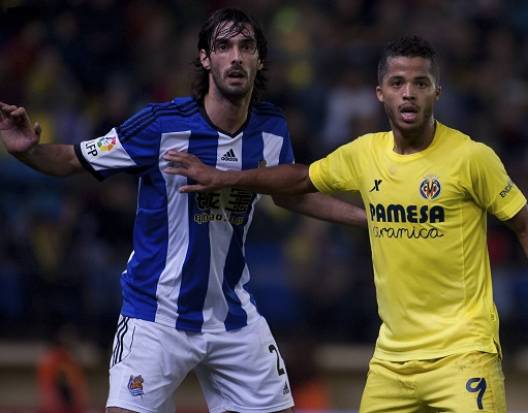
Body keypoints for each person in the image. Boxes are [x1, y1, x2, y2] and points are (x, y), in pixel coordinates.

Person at [162, 35, 528, 413]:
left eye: (420, 83)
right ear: (380, 93)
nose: (409, 94)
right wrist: (226, 177)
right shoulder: (365, 154)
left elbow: (525, 224)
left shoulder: (472, 158)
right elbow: (297, 179)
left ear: (438, 91)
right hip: (392, 362)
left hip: (464, 353)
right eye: (398, 83)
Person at [0, 8, 366, 413]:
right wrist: (28, 151)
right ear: (206, 58)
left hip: (233, 319)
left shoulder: (271, 129)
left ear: (259, 59)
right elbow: (72, 159)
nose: (236, 57)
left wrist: (368, 219)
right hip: (155, 316)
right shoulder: (159, 125)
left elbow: (290, 193)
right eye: (223, 47)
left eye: (246, 47)